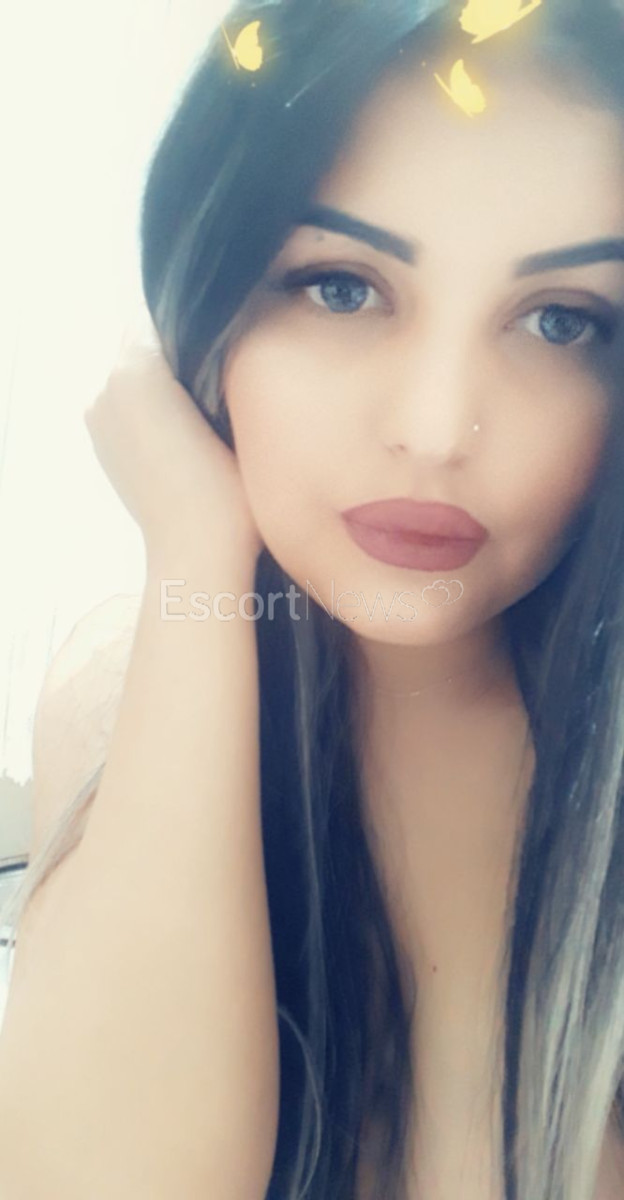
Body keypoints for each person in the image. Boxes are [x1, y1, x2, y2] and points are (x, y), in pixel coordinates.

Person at [1, 0, 624, 1196]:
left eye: (561, 321)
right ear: (211, 302)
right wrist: (196, 550)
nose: (435, 429)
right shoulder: (126, 691)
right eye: (340, 288)